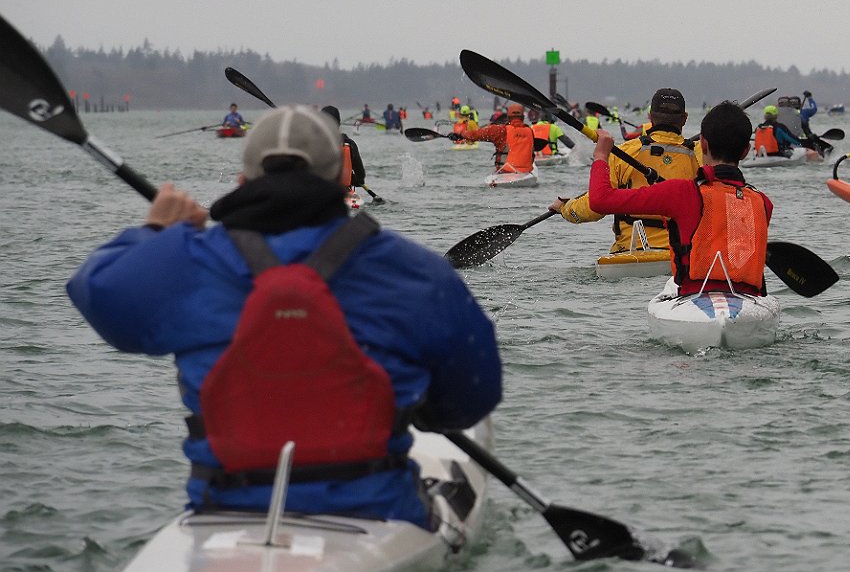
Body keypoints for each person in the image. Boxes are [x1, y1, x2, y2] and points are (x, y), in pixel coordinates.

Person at [65, 105, 501, 525]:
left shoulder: (189, 261)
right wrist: (419, 411)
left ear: (243, 180)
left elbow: (97, 292)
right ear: (340, 178)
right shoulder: (414, 270)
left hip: (227, 509)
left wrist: (157, 231)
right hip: (377, 508)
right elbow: (472, 400)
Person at [586, 101, 772, 296]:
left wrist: (601, 156)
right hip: (749, 300)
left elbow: (599, 200)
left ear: (703, 144)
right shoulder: (763, 202)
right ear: (746, 151)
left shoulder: (681, 193)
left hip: (693, 297)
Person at [550, 88, 702, 255]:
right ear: (685, 118)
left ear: (650, 116)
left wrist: (565, 208)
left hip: (631, 252)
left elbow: (594, 208)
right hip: (686, 253)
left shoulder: (626, 152)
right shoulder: (700, 154)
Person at [453, 103, 535, 173]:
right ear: (523, 117)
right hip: (526, 172)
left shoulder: (500, 130)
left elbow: (475, 135)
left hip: (505, 171)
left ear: (508, 117)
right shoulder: (530, 131)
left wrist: (461, 134)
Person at [321, 105, 378, 204]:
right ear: (339, 124)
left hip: (320, 194)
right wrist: (355, 180)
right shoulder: (349, 144)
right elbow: (360, 176)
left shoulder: (311, 144)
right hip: (344, 195)